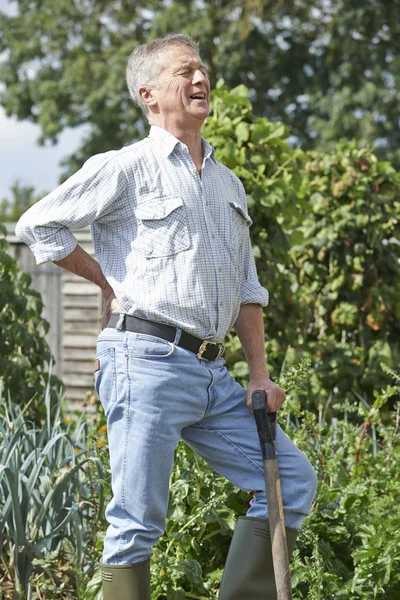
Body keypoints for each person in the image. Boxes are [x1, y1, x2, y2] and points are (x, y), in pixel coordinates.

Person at [16, 33, 317, 600]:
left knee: (290, 484)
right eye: (185, 72)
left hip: (213, 372)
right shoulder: (125, 167)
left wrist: (258, 373)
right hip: (144, 360)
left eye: (202, 70)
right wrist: (106, 279)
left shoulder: (229, 184)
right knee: (136, 525)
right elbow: (39, 226)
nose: (201, 79)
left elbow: (248, 288)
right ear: (149, 94)